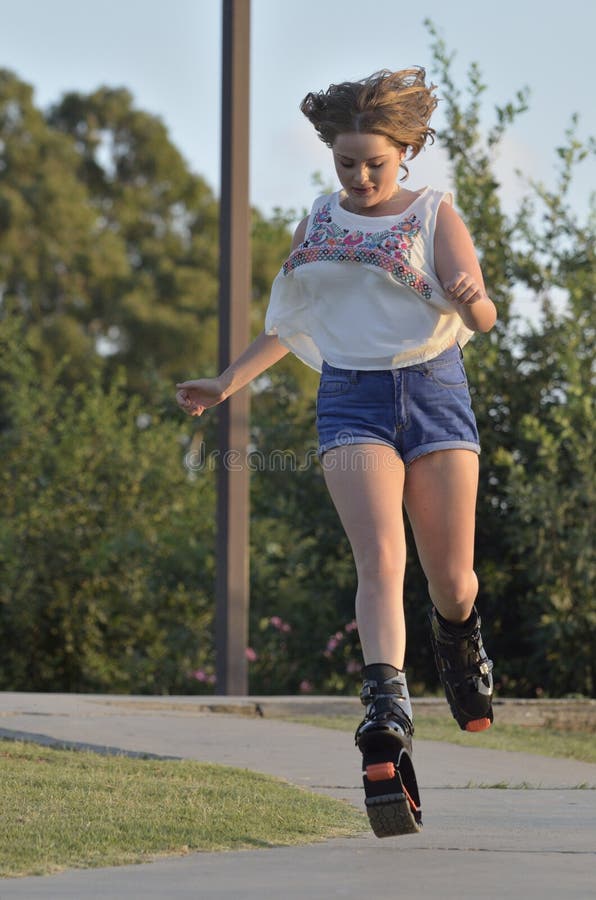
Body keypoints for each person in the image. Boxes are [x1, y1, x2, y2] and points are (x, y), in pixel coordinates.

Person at [176, 68, 495, 759]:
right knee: (380, 556)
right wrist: (227, 383)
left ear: (404, 150)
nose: (358, 175)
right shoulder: (320, 219)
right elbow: (292, 323)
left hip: (435, 391)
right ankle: (386, 708)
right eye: (345, 162)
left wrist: (472, 296)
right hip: (353, 399)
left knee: (452, 579)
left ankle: (461, 639)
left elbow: (485, 318)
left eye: (373, 163)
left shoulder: (433, 212)